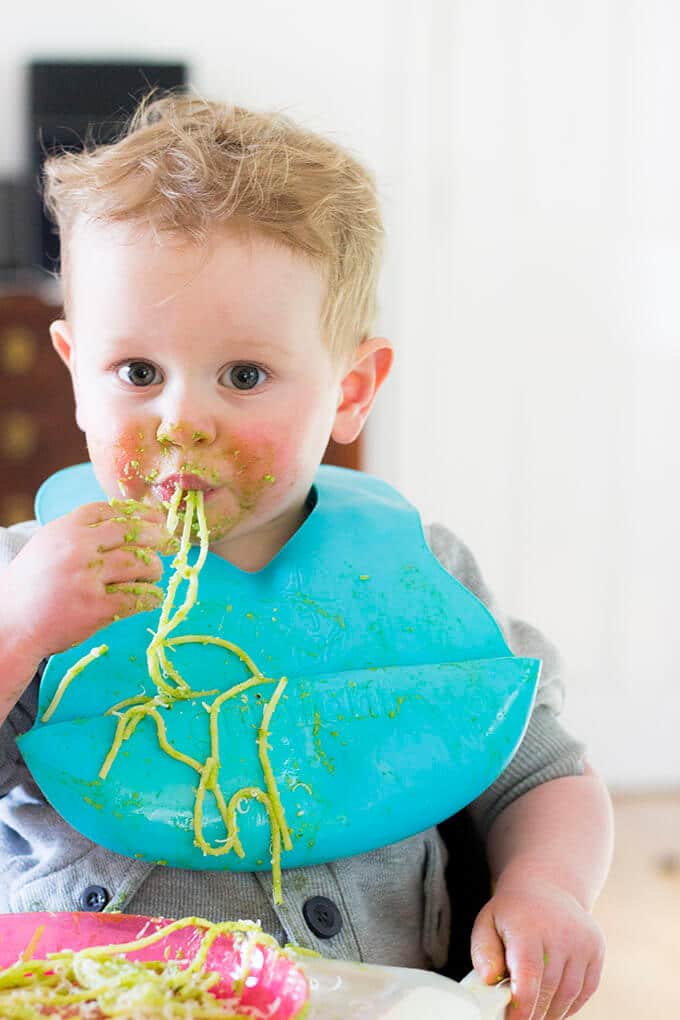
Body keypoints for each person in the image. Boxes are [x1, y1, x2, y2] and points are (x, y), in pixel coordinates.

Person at [0, 93, 612, 1019]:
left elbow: (541, 771)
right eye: (137, 373)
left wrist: (546, 886)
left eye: (244, 375)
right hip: (89, 997)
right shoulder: (26, 575)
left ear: (352, 389)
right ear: (75, 372)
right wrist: (18, 629)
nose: (180, 422)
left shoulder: (419, 573)